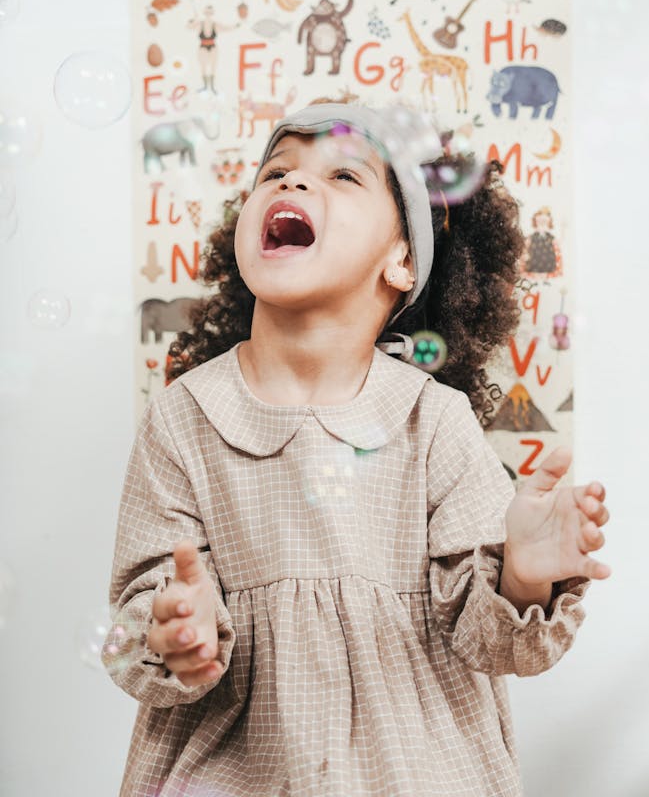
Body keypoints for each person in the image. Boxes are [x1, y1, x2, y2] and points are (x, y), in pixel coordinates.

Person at [104, 99, 611, 797]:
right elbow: (142, 614)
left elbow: (492, 643)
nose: (292, 184)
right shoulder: (185, 416)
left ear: (402, 260)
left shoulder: (432, 419)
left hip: (417, 772)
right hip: (229, 773)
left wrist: (522, 574)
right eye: (276, 171)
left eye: (342, 176)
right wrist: (171, 631)